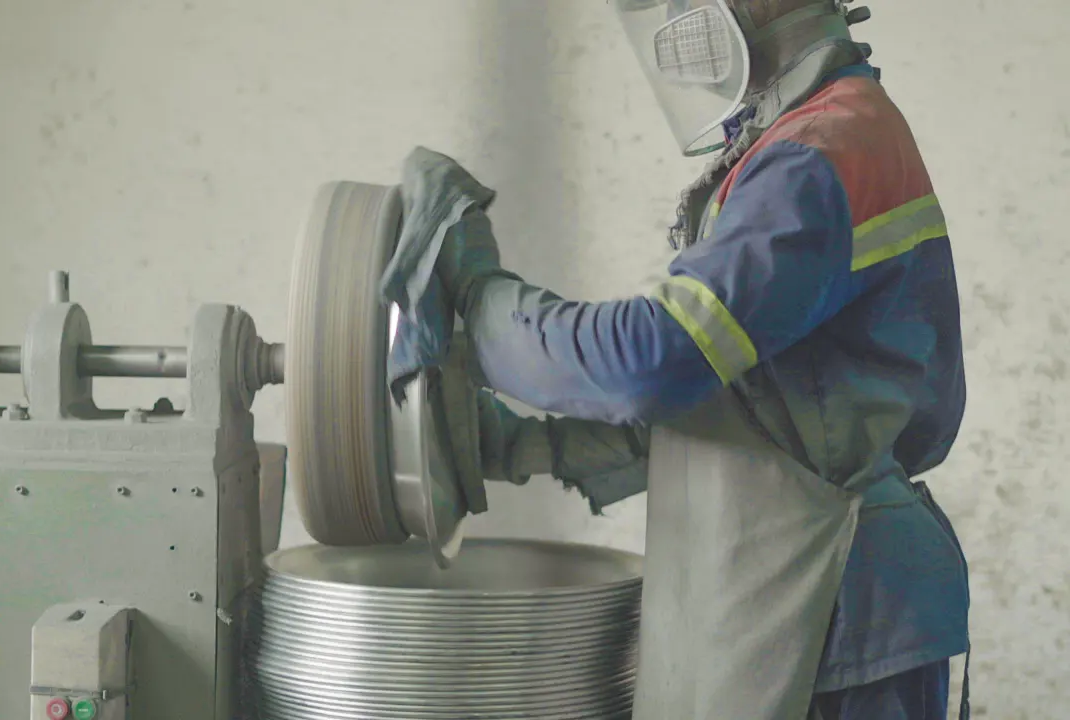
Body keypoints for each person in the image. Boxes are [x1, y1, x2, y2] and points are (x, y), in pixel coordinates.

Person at [384, 1, 971, 718]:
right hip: (793, 581)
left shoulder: (820, 151)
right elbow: (749, 407)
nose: (673, 12)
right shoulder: (798, 137)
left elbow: (653, 362)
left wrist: (475, 298)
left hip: (841, 607)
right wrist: (519, 445)